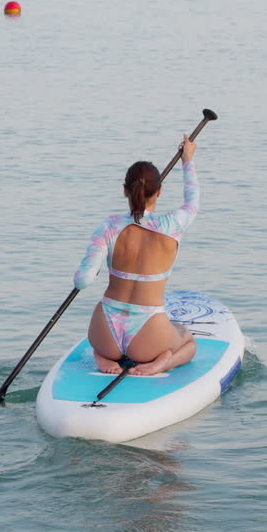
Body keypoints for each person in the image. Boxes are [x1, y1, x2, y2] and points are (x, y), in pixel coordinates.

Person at [73, 134, 200, 376]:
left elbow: (83, 281)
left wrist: (100, 263)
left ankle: (103, 357)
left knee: (104, 346)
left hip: (105, 330)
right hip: (148, 332)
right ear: (159, 192)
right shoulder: (172, 225)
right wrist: (187, 160)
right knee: (189, 343)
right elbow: (192, 202)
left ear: (125, 191)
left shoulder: (109, 226)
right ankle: (164, 362)